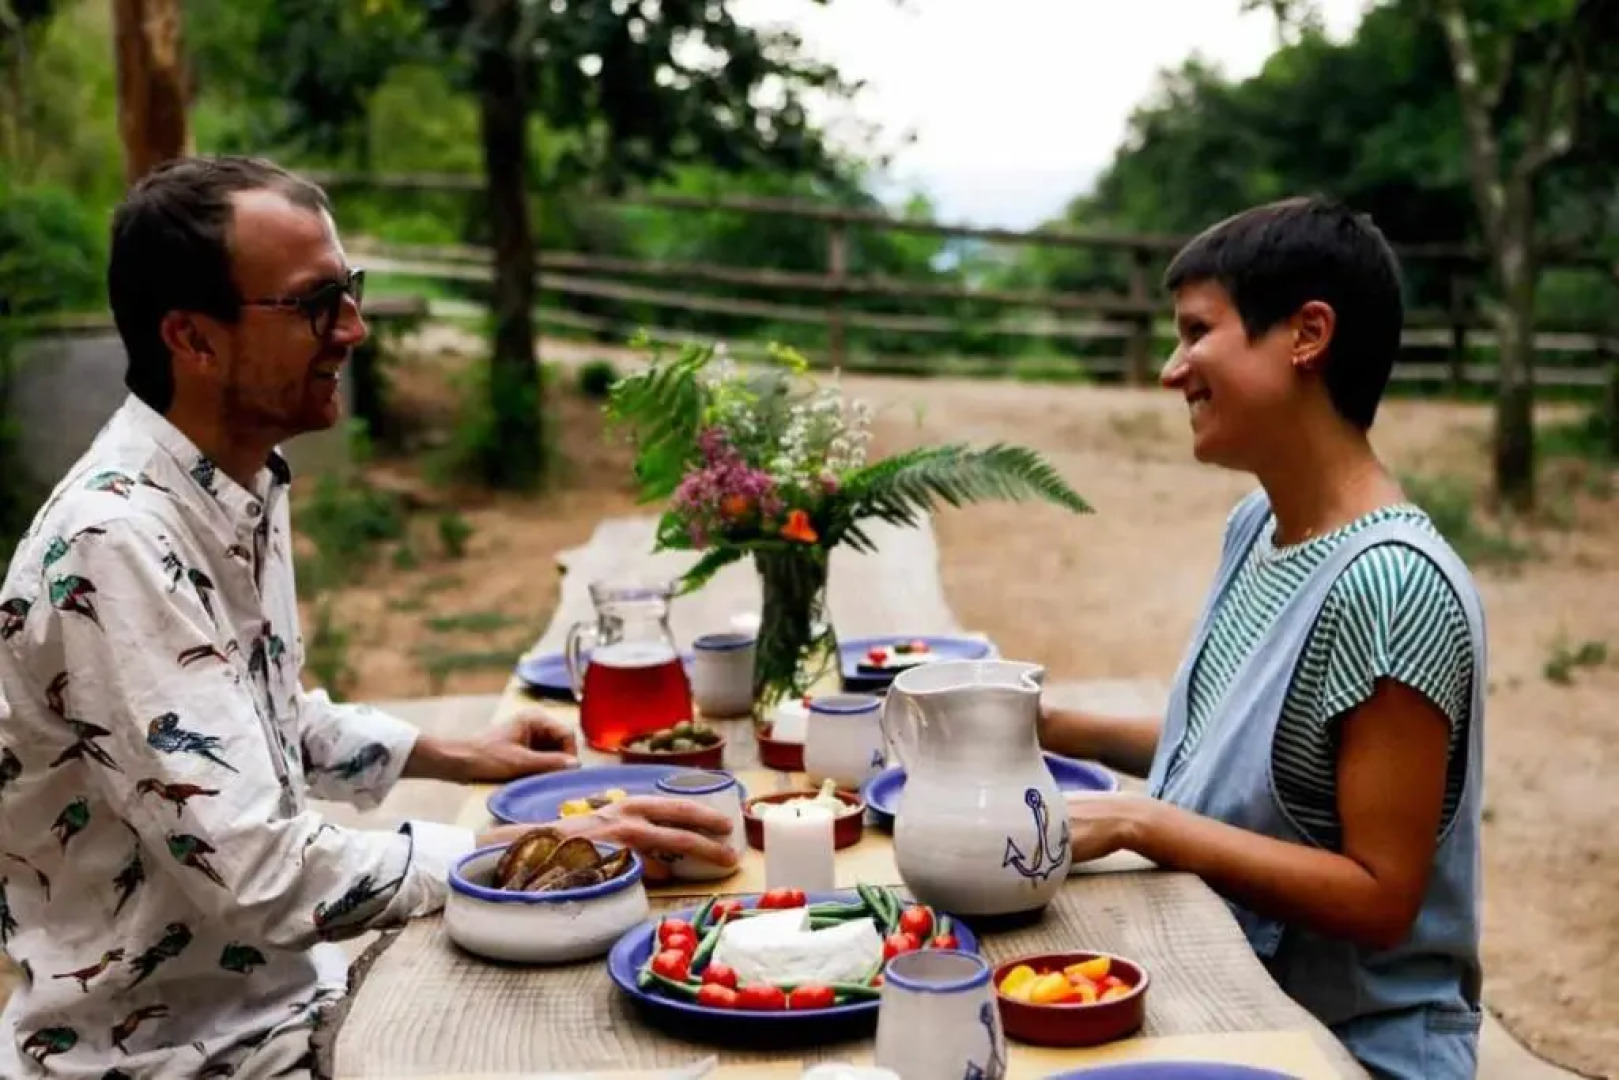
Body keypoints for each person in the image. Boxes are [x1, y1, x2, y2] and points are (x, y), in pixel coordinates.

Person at [0, 155, 738, 1078]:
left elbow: (255, 715)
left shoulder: (230, 484)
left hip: (290, 1007)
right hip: (186, 1059)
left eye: (349, 290)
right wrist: (525, 848)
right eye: (316, 304)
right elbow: (258, 872)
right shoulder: (116, 545)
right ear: (193, 339)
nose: (354, 327)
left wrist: (456, 753)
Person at [1045, 196, 1486, 1080]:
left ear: (1306, 335)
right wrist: (1041, 721)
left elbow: (1380, 897)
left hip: (1350, 1049)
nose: (1171, 371)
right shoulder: (1258, 526)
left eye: (1196, 332)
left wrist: (1139, 821)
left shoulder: (1391, 585)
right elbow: (1245, 765)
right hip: (1233, 997)